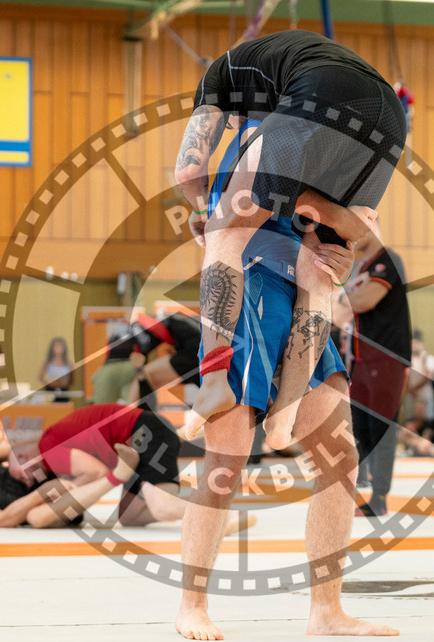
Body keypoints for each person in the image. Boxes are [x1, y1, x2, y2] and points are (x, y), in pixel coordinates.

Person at [175, 115, 395, 641]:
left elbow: (361, 237)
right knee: (227, 454)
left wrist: (343, 248)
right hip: (251, 285)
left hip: (309, 293)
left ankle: (326, 609)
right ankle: (191, 604)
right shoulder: (263, 127)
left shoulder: (335, 138)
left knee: (340, 458)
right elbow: (197, 182)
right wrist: (205, 212)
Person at [175, 29, 405, 452]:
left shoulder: (217, 80)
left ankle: (212, 380)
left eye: (231, 122)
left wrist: (204, 214)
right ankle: (285, 414)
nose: (234, 127)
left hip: (321, 90)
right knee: (324, 260)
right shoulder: (275, 69)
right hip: (389, 115)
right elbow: (347, 235)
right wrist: (338, 233)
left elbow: (188, 172)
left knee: (227, 229)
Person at [18, 403, 254, 533]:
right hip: (138, 440)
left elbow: (96, 472)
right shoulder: (53, 443)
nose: (30, 482)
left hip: (143, 431)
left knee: (162, 508)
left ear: (23, 457)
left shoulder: (46, 448)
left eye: (24, 476)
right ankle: (198, 505)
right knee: (130, 517)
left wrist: (71, 494)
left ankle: (223, 515)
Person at [333, 223, 411, 516]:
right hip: (360, 360)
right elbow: (342, 312)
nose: (351, 239)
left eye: (355, 232)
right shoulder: (360, 269)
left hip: (386, 358)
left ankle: (380, 497)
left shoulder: (388, 261)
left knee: (381, 427)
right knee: (361, 426)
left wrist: (338, 298)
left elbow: (364, 301)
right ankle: (361, 484)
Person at [125, 312, 202, 409]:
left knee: (145, 374)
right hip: (199, 356)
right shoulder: (174, 321)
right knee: (150, 380)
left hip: (192, 355)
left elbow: (146, 343)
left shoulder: (151, 324)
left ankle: (128, 416)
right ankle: (139, 415)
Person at [89, 324, 138, 404]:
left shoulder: (113, 337)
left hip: (108, 368)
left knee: (103, 407)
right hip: (129, 365)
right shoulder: (133, 334)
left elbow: (93, 379)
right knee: (132, 406)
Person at [39, 337, 73, 402]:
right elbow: (40, 377)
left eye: (60, 347)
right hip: (50, 390)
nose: (58, 349)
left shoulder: (69, 363)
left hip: (63, 391)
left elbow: (72, 380)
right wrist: (48, 382)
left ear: (64, 348)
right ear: (52, 348)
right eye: (56, 346)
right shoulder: (47, 362)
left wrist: (64, 382)